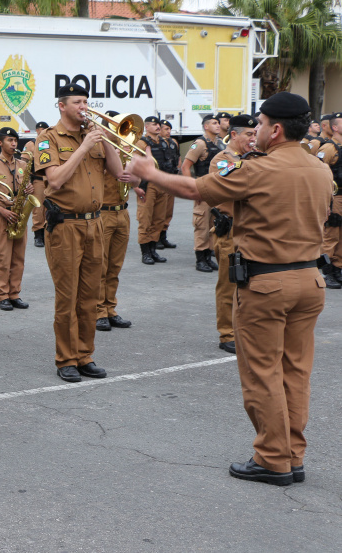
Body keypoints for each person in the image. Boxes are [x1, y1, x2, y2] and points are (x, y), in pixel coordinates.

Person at [128, 91, 331, 487]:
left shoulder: (259, 169)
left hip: (267, 282)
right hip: (310, 280)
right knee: (295, 372)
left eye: (258, 124)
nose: (253, 130)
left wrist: (149, 172)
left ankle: (273, 459)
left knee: (263, 372)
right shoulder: (319, 168)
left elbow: (194, 190)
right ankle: (292, 454)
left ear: (275, 129)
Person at [35, 84, 124, 383]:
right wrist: (84, 147)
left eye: (86, 101)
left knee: (89, 296)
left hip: (94, 223)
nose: (83, 106)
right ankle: (66, 359)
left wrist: (105, 138)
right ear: (61, 106)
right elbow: (56, 180)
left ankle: (85, 355)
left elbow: (118, 170)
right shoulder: (48, 138)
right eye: (77, 102)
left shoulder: (93, 135)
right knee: (67, 296)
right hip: (66, 226)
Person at [207, 114, 257, 354]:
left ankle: (243, 330)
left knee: (249, 284)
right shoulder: (221, 159)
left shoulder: (250, 159)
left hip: (249, 231)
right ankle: (227, 333)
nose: (253, 139)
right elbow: (236, 183)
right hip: (229, 231)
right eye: (249, 134)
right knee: (229, 284)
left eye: (255, 134)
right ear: (234, 135)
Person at [0, 127, 32, 311]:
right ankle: (2, 295)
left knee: (18, 258)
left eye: (15, 140)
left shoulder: (22, 165)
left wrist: (29, 190)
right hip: (2, 215)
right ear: (0, 143)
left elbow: (27, 186)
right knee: (3, 258)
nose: (14, 144)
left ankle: (15, 294)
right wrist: (1, 210)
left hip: (19, 214)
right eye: (9, 140)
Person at [95, 114, 132, 333]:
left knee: (115, 267)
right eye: (114, 127)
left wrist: (132, 173)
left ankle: (111, 308)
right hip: (104, 212)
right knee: (100, 265)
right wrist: (111, 158)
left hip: (122, 213)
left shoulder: (127, 149)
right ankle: (99, 311)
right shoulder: (98, 150)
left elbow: (136, 180)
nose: (119, 133)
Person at [181, 114, 222, 272]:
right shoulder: (199, 143)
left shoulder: (219, 144)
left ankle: (208, 256)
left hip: (216, 189)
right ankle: (200, 259)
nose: (218, 125)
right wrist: (192, 189)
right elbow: (185, 166)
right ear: (206, 126)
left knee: (213, 223)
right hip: (202, 188)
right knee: (201, 224)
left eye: (218, 123)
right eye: (214, 123)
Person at [132, 115, 170, 265]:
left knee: (158, 219)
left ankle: (153, 250)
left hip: (162, 184)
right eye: (153, 124)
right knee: (145, 219)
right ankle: (145, 253)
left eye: (158, 124)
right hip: (147, 186)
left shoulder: (164, 143)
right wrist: (135, 187)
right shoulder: (141, 144)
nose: (157, 127)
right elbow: (133, 163)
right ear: (146, 127)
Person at [316, 111, 342, 289]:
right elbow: (318, 171)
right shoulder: (328, 148)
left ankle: (338, 267)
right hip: (335, 197)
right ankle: (327, 270)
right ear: (334, 127)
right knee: (331, 235)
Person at [27, 121, 50, 247]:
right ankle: (38, 234)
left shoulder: (50, 143)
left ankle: (47, 233)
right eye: (40, 130)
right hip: (37, 180)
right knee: (38, 208)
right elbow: (24, 163)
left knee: (49, 207)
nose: (42, 132)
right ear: (36, 131)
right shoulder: (31, 144)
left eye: (44, 130)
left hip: (50, 180)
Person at [157, 120, 179, 250]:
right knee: (158, 212)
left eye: (169, 129)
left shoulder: (173, 142)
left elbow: (178, 157)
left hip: (171, 179)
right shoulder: (156, 142)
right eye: (165, 129)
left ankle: (163, 237)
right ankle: (155, 238)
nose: (168, 131)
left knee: (168, 211)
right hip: (160, 180)